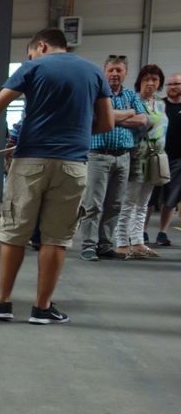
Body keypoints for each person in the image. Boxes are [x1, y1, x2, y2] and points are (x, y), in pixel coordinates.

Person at [0, 27, 114, 325]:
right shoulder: (94, 72)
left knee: (14, 234)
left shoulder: (33, 67)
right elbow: (107, 122)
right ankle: (42, 308)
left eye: (29, 53)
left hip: (30, 163)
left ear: (41, 46)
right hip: (72, 165)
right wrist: (74, 131)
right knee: (56, 238)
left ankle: (3, 303)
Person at [78, 55, 148, 261]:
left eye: (119, 70)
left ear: (125, 73)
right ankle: (88, 245)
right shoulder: (96, 94)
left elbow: (143, 119)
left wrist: (111, 117)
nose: (115, 74)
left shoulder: (130, 95)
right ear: (104, 71)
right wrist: (127, 114)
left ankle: (105, 244)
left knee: (115, 204)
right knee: (93, 204)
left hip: (123, 157)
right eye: (111, 70)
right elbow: (93, 118)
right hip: (98, 156)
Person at [116, 64, 167, 258]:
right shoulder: (133, 101)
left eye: (154, 80)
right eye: (146, 79)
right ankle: (121, 241)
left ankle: (137, 241)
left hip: (156, 156)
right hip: (137, 154)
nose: (150, 83)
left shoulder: (160, 104)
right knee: (129, 200)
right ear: (140, 82)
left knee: (144, 202)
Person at [154, 73, 181, 246]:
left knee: (171, 198)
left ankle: (162, 232)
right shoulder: (159, 105)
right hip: (157, 156)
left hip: (178, 159)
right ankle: (141, 233)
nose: (172, 87)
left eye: (176, 84)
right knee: (151, 196)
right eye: (169, 84)